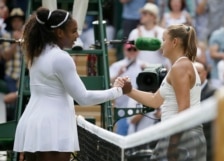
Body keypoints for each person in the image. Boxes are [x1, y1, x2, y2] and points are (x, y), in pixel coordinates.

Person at [13, 7, 129, 161]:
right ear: (60, 33)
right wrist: (118, 91)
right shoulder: (61, 58)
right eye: (73, 31)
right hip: (53, 128)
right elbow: (84, 98)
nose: (78, 35)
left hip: (33, 125)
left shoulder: (36, 54)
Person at [123, 24, 206, 161]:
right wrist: (129, 91)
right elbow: (155, 100)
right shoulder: (180, 66)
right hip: (180, 134)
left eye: (164, 40)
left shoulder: (181, 66)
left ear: (174, 42)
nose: (162, 44)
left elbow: (184, 108)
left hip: (181, 136)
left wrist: (173, 144)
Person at [109, 44, 146, 135]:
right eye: (129, 49)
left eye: (134, 49)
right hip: (122, 107)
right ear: (124, 50)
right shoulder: (117, 65)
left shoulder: (144, 65)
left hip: (139, 108)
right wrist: (118, 73)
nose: (132, 52)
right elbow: (108, 83)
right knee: (121, 136)